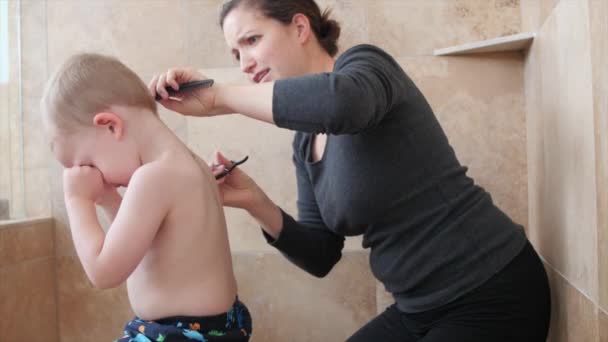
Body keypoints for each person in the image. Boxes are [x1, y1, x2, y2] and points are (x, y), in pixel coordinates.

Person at [150, 0, 551, 341]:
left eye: (252, 40)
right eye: (235, 55)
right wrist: (252, 199)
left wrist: (220, 96)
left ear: (300, 27)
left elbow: (344, 105)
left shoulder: (366, 67)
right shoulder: (305, 140)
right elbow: (321, 254)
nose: (245, 63)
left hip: (491, 289)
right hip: (419, 308)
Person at [41, 53, 252, 342]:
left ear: (110, 126)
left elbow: (103, 273)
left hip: (181, 334)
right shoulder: (190, 166)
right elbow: (140, 245)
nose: (95, 177)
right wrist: (107, 199)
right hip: (216, 328)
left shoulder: (152, 178)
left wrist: (77, 201)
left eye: (89, 163)